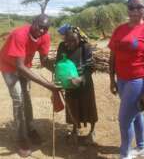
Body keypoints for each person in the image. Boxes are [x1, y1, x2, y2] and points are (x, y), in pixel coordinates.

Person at [108, 0, 144, 159]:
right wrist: (112, 79)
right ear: (127, 8)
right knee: (136, 113)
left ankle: (125, 154)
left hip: (138, 81)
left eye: (139, 7)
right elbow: (113, 56)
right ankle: (142, 147)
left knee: (124, 120)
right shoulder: (119, 29)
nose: (134, 10)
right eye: (131, 7)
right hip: (122, 81)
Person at [0, 14, 57, 157]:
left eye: (45, 28)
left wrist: (60, 70)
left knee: (27, 97)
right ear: (33, 22)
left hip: (24, 66)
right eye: (40, 26)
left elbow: (44, 61)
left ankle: (30, 128)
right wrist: (49, 86)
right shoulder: (19, 35)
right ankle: (21, 138)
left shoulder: (45, 37)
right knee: (19, 99)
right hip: (8, 66)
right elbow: (19, 67)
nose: (42, 30)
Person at [55, 26, 98, 143]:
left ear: (79, 39)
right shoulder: (62, 47)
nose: (70, 43)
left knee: (89, 107)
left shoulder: (85, 47)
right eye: (67, 40)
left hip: (85, 82)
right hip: (69, 83)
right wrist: (60, 79)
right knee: (72, 107)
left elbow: (90, 67)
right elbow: (58, 63)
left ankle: (92, 131)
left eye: (73, 40)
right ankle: (75, 130)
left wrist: (81, 79)